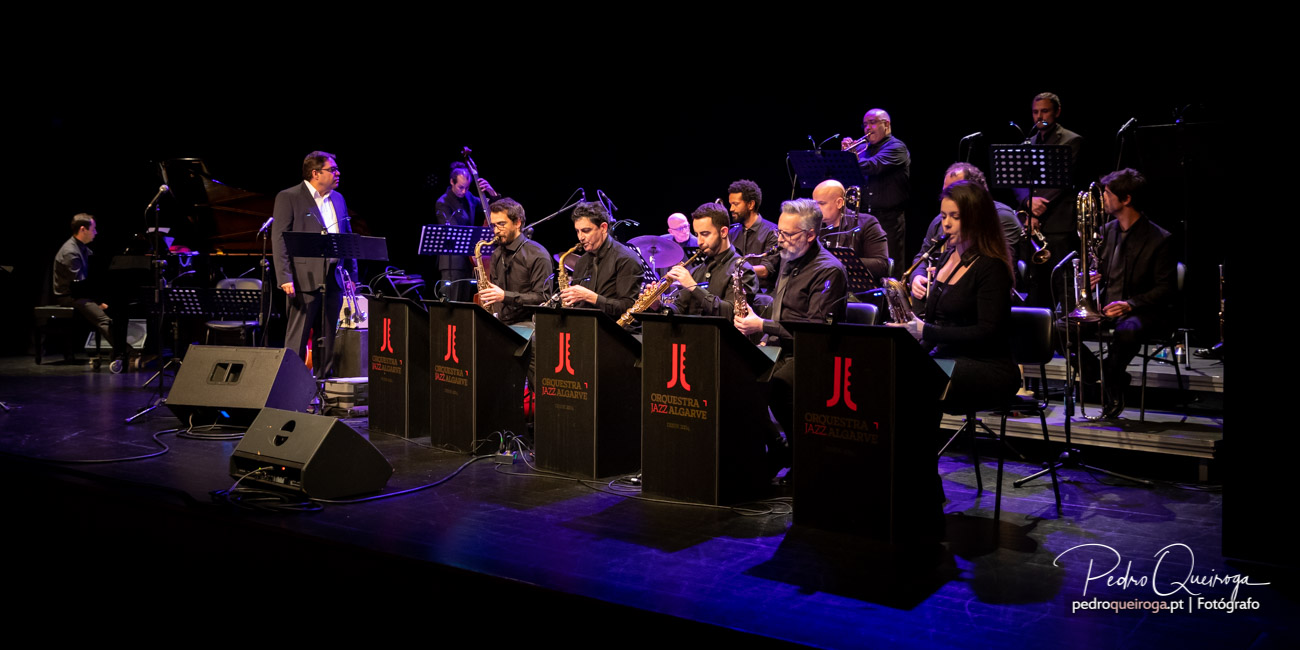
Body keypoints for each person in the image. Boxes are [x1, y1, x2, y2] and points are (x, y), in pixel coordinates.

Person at [734, 198, 847, 475]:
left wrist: (763, 326)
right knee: (734, 377)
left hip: (813, 353)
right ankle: (778, 448)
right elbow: (782, 308)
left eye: (788, 234)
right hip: (780, 347)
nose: (780, 240)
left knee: (778, 385)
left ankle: (801, 456)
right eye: (779, 232)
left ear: (810, 235)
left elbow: (815, 330)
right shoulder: (789, 257)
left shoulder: (828, 270)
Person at [892, 180, 1018, 415]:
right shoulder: (946, 257)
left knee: (915, 380)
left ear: (976, 219)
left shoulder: (992, 267)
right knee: (891, 368)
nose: (946, 224)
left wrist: (924, 331)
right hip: (947, 358)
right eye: (943, 216)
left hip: (987, 365)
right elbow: (934, 323)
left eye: (955, 217)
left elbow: (988, 332)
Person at [1068, 168, 1176, 418]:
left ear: (1126, 199)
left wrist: (1130, 304)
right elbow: (1102, 270)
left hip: (1143, 312)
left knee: (1128, 331)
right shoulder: (1107, 232)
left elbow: (1166, 289)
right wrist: (1093, 278)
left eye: (1107, 194)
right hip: (1106, 308)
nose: (1102, 199)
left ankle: (1113, 384)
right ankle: (1099, 373)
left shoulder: (1159, 239)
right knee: (1059, 328)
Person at [271, 151, 359, 377]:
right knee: (297, 338)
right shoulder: (289, 196)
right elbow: (279, 238)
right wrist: (284, 276)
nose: (338, 173)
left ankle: (324, 387)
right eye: (332, 169)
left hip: (334, 278)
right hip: (302, 279)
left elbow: (346, 238)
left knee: (329, 338)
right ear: (315, 173)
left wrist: (352, 277)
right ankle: (291, 387)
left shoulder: (338, 198)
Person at [910, 163, 1025, 307]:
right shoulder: (939, 221)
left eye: (955, 191)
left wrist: (945, 270)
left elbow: (999, 262)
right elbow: (922, 256)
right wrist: (917, 277)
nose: (948, 197)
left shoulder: (1001, 217)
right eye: (946, 191)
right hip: (942, 296)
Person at [1014, 92, 1083, 308]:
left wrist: (1035, 207)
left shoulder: (1071, 140)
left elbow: (1063, 181)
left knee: (1063, 286)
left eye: (1044, 111)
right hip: (1033, 225)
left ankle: (1068, 337)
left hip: (1059, 224)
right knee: (1036, 287)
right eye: (1035, 112)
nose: (1039, 116)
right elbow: (1016, 180)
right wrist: (1027, 202)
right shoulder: (1029, 143)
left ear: (1057, 112)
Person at [51, 213, 128, 372]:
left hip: (81, 293)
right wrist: (99, 301)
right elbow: (78, 286)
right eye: (93, 229)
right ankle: (126, 352)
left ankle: (121, 351)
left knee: (115, 309)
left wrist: (103, 298)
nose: (96, 232)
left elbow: (92, 280)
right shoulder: (70, 252)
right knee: (103, 319)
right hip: (68, 296)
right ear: (82, 229)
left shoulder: (83, 248)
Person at [663, 202, 758, 318]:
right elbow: (679, 308)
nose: (699, 242)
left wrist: (693, 286)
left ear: (723, 232)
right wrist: (658, 306)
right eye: (697, 234)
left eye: (705, 234)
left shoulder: (743, 270)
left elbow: (732, 313)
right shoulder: (698, 270)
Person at [844, 108, 910, 263]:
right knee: (861, 263)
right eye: (865, 124)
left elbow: (874, 166)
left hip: (889, 220)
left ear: (886, 124)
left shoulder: (897, 148)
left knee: (888, 264)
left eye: (872, 123)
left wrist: (849, 159)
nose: (867, 128)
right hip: (862, 218)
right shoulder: (862, 150)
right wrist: (846, 158)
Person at [560, 201, 643, 319]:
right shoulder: (582, 261)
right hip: (586, 327)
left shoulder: (626, 259)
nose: (580, 237)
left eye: (586, 230)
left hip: (615, 331)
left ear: (603, 228)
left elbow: (630, 307)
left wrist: (591, 297)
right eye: (577, 231)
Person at [477, 198, 552, 326]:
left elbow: (543, 298)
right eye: (494, 225)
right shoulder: (496, 254)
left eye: (501, 224)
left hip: (529, 323)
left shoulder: (538, 255)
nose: (496, 231)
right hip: (501, 322)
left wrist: (505, 296)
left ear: (517, 223)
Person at [434, 162, 498, 302]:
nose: (464, 191)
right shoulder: (443, 202)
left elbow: (492, 208)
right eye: (460, 187)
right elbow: (454, 230)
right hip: (453, 262)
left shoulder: (468, 197)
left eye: (467, 187)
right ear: (452, 182)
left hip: (469, 261)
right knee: (451, 302)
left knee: (463, 302)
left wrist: (491, 192)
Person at [811, 179, 890, 284]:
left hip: (857, 291)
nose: (816, 209)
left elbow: (881, 265)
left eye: (821, 204)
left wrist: (841, 261)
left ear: (839, 203)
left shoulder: (867, 223)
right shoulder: (814, 226)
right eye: (814, 204)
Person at [727, 179, 780, 291]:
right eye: (731, 204)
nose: (731, 209)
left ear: (750, 204)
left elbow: (766, 270)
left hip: (762, 295)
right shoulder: (732, 232)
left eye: (735, 204)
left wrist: (733, 270)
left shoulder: (772, 232)